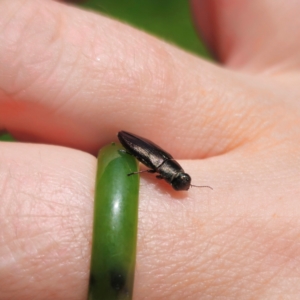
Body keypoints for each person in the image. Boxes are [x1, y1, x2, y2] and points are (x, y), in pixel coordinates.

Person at [1, 0, 300, 298]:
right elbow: (145, 163)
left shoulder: (165, 169)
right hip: (144, 150)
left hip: (149, 153)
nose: (177, 187)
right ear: (171, 176)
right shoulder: (160, 169)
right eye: (177, 183)